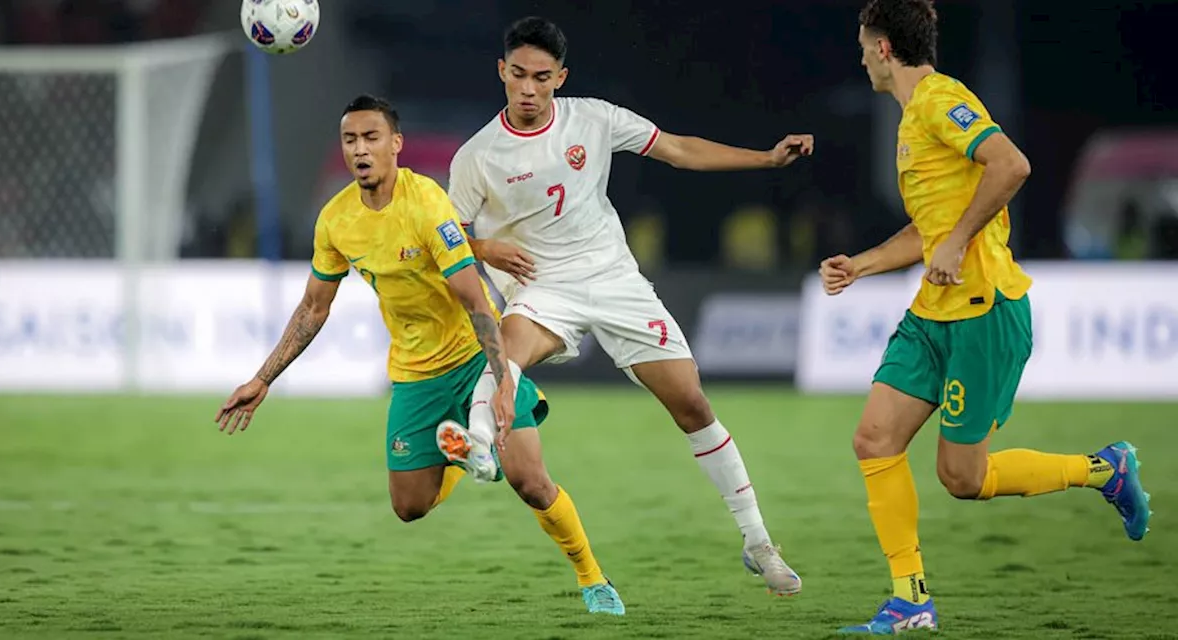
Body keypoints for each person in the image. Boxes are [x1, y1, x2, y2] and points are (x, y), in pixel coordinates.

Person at [215, 95, 626, 616]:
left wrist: (502, 380)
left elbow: (474, 298)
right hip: (414, 376)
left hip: (475, 358)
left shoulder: (427, 201)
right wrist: (263, 378)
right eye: (350, 140)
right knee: (408, 507)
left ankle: (593, 579)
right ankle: (460, 453)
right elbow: (313, 308)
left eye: (371, 138)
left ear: (395, 145)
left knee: (530, 480)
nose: (360, 150)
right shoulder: (336, 221)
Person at [447, 16, 813, 596]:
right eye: (517, 74)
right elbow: (450, 236)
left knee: (691, 403)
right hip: (542, 288)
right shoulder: (476, 156)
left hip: (616, 279)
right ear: (502, 71)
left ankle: (757, 541)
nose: (528, 88)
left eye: (541, 77)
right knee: (506, 356)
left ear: (559, 78)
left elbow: (678, 150)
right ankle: (477, 443)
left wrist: (765, 160)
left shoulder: (592, 117)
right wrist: (484, 245)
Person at [820, 0, 1150, 633]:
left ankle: (1105, 469)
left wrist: (957, 241)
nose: (860, 55)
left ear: (884, 48)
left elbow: (1012, 164)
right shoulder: (912, 118)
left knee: (962, 479)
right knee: (873, 440)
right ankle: (910, 599)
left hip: (985, 310)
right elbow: (930, 229)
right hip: (932, 313)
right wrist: (861, 264)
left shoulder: (943, 100)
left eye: (864, 44)